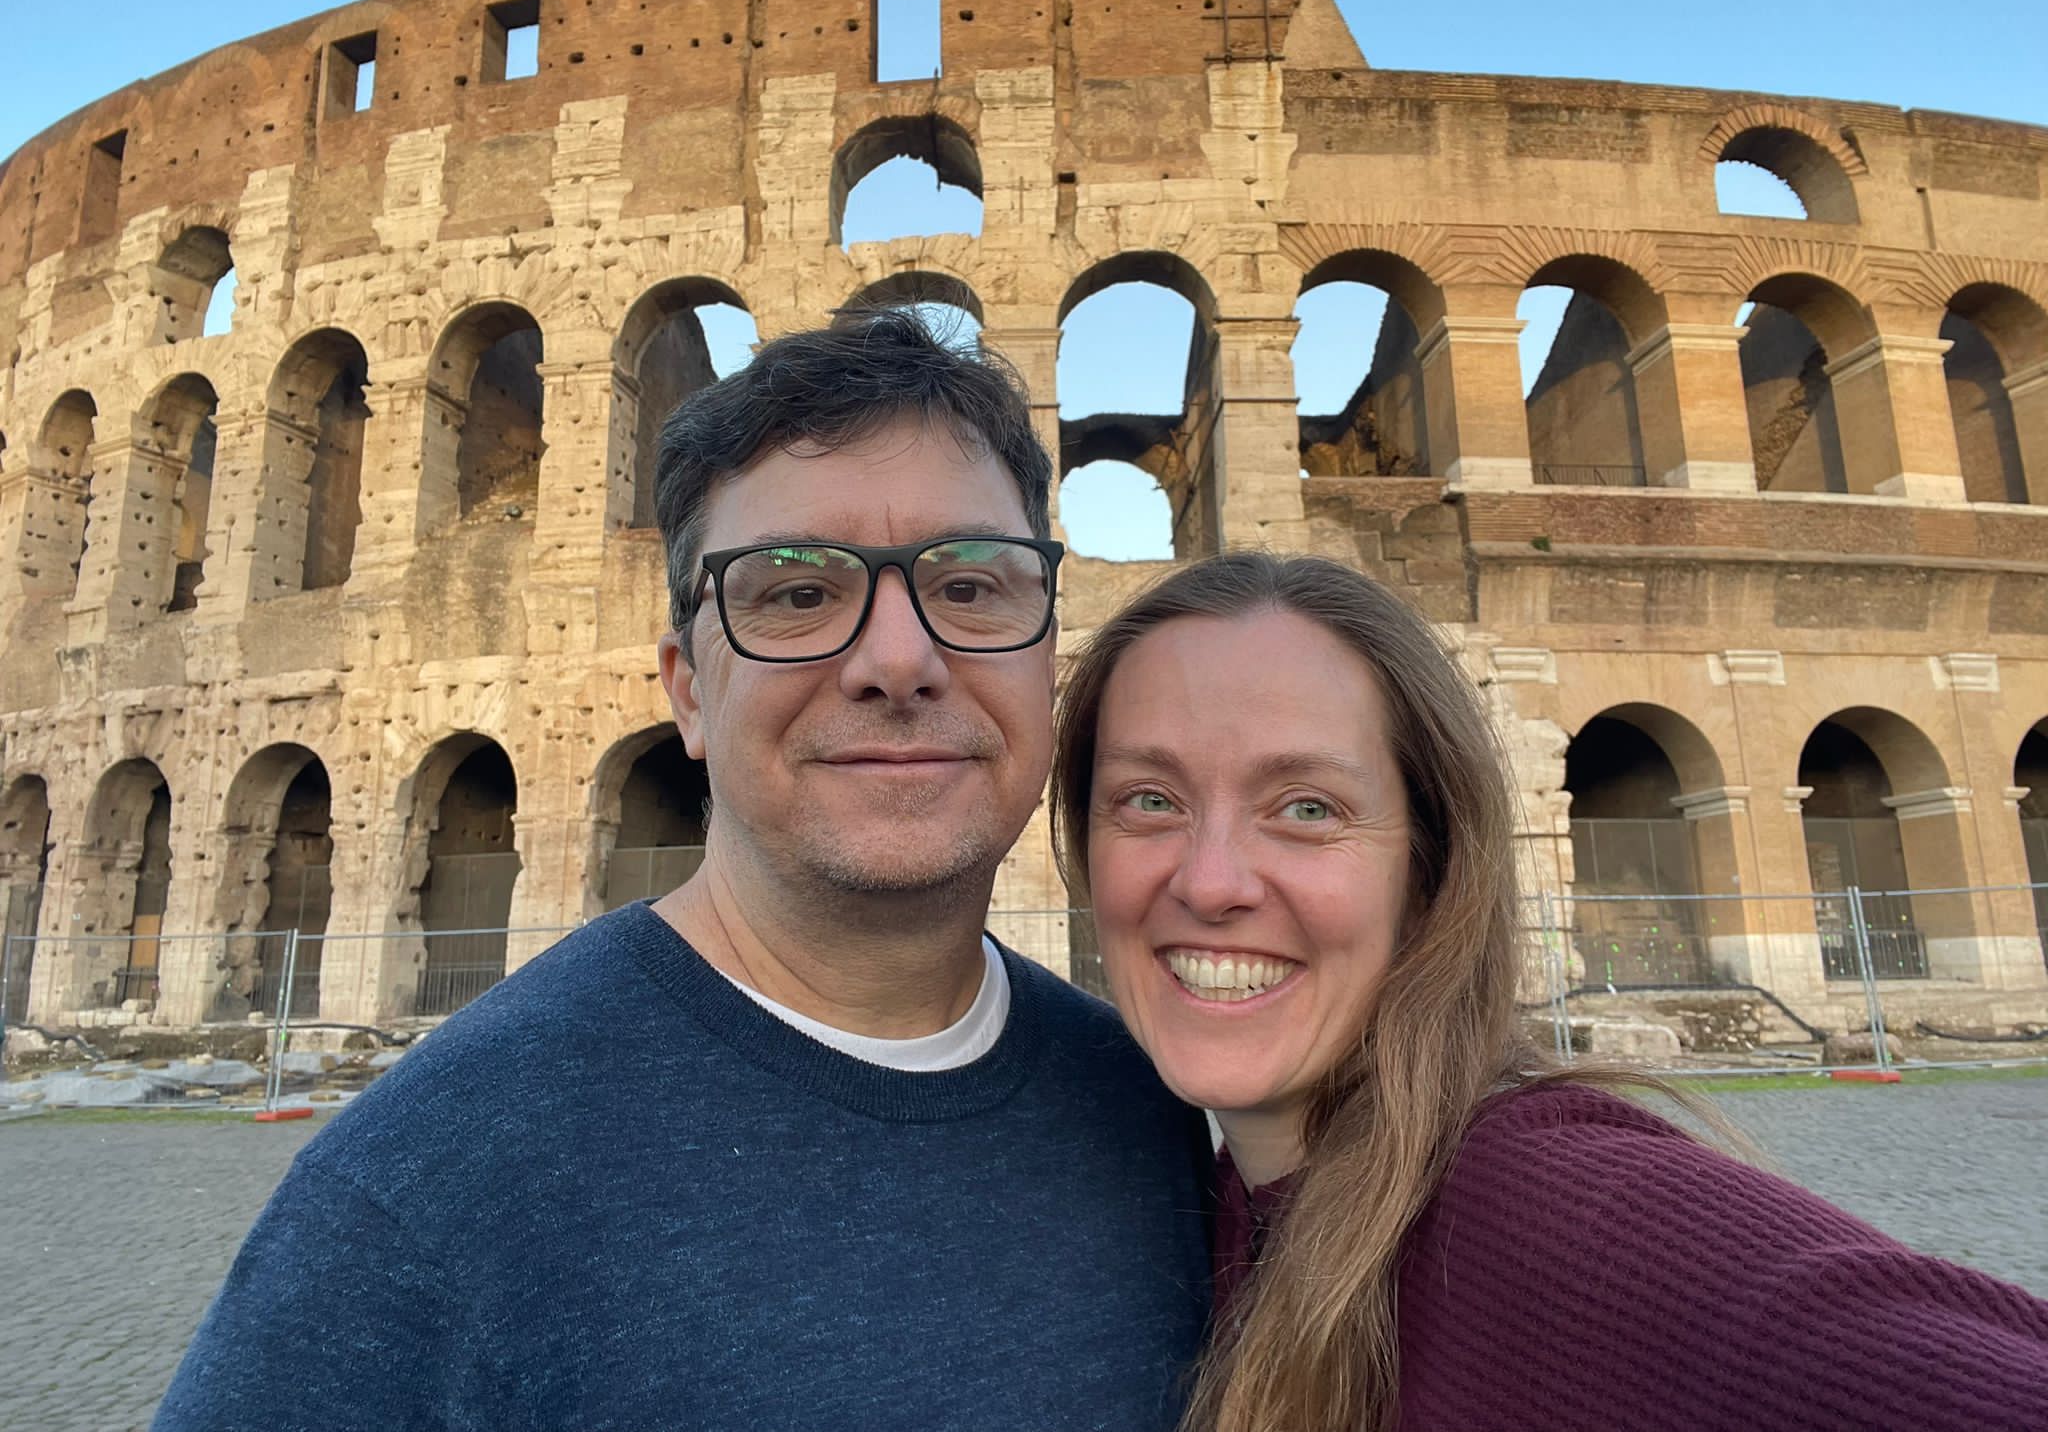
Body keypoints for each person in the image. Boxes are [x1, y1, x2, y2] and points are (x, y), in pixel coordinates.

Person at [156, 310, 1211, 1432]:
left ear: (1047, 645)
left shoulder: (1147, 1109)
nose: (898, 661)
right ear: (689, 689)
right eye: (797, 593)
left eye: (968, 585)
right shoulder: (422, 1195)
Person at [1048, 552, 2048, 1432]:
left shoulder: (1580, 1222)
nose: (1210, 881)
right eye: (1148, 800)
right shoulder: (1211, 1204)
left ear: (1432, 869)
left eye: (1306, 807)